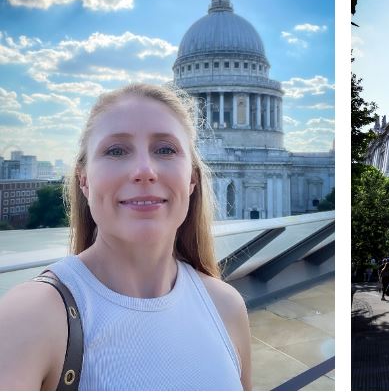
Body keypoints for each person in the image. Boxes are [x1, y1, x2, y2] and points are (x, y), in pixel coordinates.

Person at [0, 83, 251, 390]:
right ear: (84, 180)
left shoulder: (227, 307)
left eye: (165, 149)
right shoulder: (29, 316)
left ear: (192, 180)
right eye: (116, 150)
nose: (144, 170)